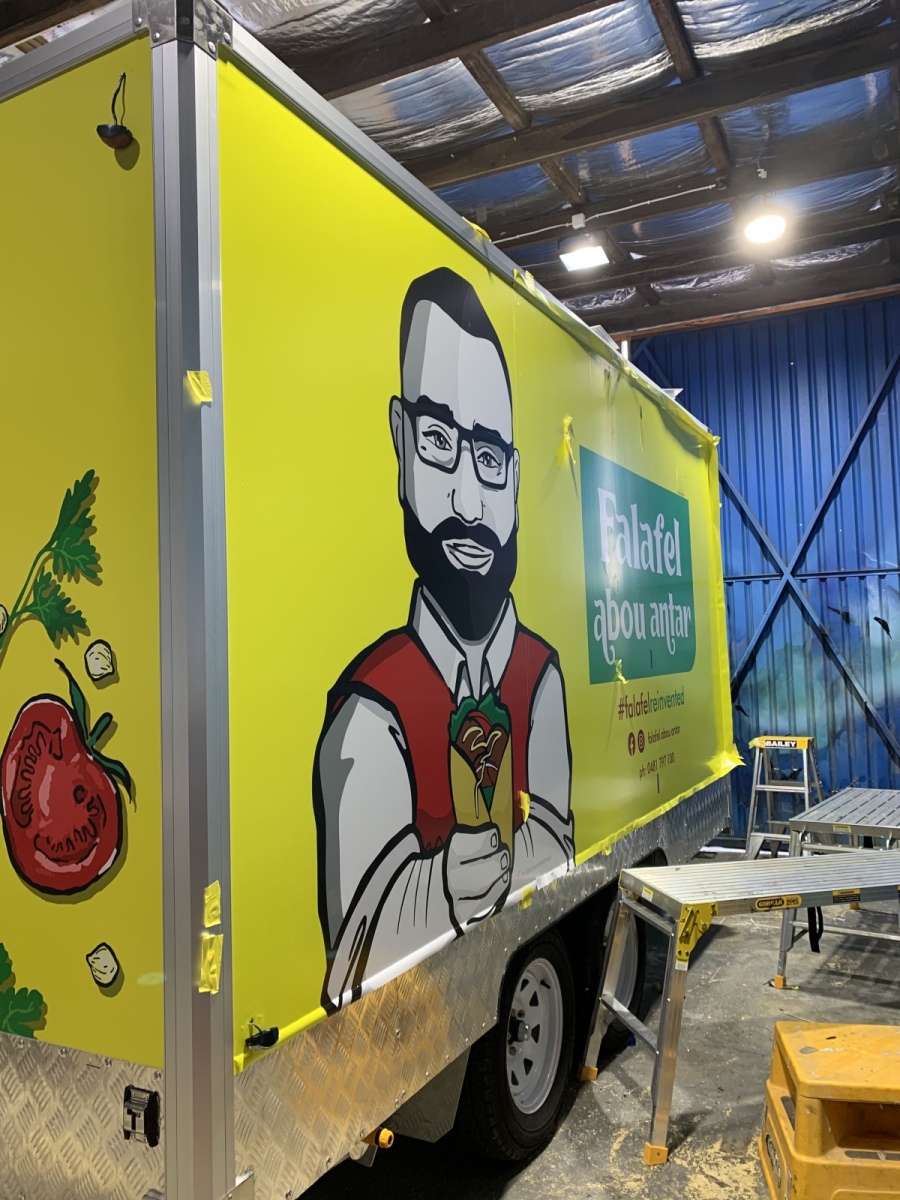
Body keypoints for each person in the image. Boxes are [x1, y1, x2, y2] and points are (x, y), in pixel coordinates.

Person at [314, 267, 574, 1011]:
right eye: (437, 442)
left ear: (515, 479)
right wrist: (442, 889)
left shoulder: (540, 677)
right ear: (400, 443)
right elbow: (350, 959)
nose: (467, 499)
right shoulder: (369, 712)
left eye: (489, 457)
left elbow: (561, 842)